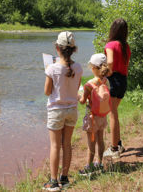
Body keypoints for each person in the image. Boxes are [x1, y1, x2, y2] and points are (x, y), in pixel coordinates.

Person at [43, 31, 83, 191]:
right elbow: (75, 88)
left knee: (55, 146)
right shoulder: (78, 67)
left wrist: (48, 71)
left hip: (56, 111)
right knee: (67, 144)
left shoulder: (52, 68)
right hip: (72, 110)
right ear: (73, 49)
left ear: (57, 48)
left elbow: (47, 92)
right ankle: (64, 179)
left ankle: (53, 182)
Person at [78, 53, 110, 176]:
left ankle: (89, 167)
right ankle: (100, 163)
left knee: (91, 143)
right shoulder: (106, 81)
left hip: (92, 118)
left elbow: (82, 101)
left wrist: (78, 94)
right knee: (100, 140)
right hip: (102, 116)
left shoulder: (89, 84)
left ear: (94, 68)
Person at [103, 18, 131, 158]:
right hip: (123, 81)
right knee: (115, 113)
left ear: (113, 29)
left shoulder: (111, 44)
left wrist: (105, 74)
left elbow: (110, 62)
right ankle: (118, 144)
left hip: (114, 81)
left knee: (112, 114)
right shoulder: (126, 46)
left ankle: (114, 149)